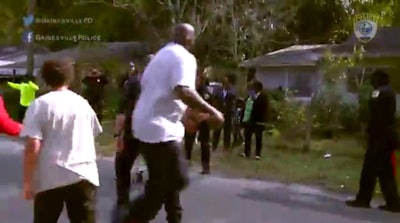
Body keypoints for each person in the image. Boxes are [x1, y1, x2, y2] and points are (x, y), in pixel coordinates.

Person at [124, 23, 224, 223]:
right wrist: (213, 111)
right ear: (191, 39)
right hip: (160, 129)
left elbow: (165, 95)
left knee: (167, 183)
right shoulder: (184, 57)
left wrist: (190, 115)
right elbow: (183, 91)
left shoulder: (160, 56)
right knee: (176, 178)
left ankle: (174, 219)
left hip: (145, 124)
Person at [20, 58, 102, 223]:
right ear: (70, 77)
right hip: (83, 174)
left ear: (45, 78)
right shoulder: (83, 104)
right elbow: (92, 134)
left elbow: (32, 145)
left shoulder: (39, 105)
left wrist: (29, 181)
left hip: (51, 176)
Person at [345, 69, 400, 212]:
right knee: (386, 172)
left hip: (379, 138)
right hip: (388, 138)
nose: (372, 83)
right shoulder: (390, 92)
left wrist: (369, 132)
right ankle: (393, 203)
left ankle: (363, 199)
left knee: (369, 170)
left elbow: (375, 115)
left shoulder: (379, 92)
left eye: (374, 79)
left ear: (379, 79)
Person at [114, 55, 153, 210]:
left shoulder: (134, 82)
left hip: (134, 129)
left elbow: (122, 110)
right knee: (158, 170)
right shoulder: (163, 84)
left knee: (123, 166)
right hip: (154, 132)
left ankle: (123, 202)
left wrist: (119, 134)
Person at [184, 69, 213, 174]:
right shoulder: (194, 89)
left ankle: (205, 166)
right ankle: (187, 161)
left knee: (204, 142)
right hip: (195, 116)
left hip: (202, 117)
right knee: (189, 140)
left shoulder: (204, 90)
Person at [241, 81, 269, 160]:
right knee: (247, 136)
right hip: (250, 120)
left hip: (259, 120)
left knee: (258, 137)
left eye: (253, 87)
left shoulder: (263, 96)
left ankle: (258, 154)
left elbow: (263, 108)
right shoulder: (250, 96)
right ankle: (247, 152)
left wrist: (254, 101)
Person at [212, 73, 237, 150]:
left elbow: (233, 100)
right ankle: (214, 145)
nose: (224, 79)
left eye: (226, 78)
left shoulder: (232, 90)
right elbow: (215, 98)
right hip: (219, 112)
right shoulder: (219, 89)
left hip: (228, 113)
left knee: (227, 130)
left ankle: (226, 146)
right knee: (217, 130)